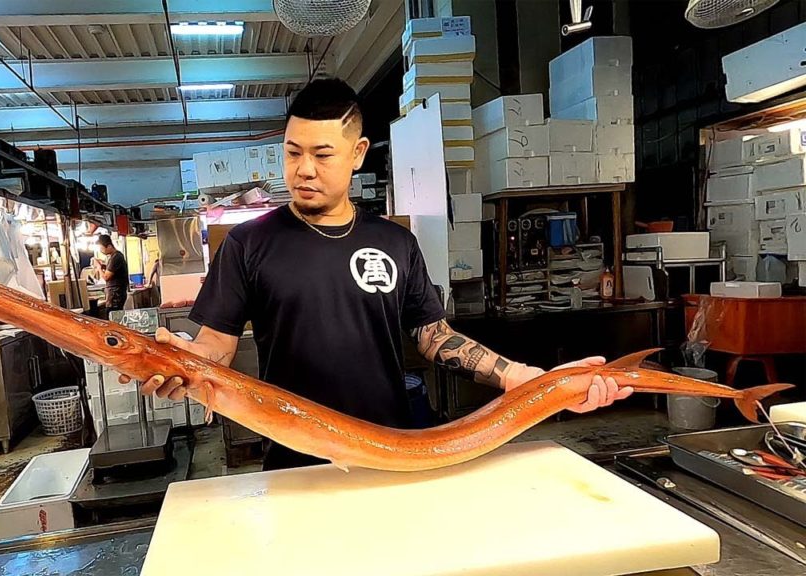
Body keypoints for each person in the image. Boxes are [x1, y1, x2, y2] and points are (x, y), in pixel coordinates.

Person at [137, 78, 633, 471]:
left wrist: (525, 379)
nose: (304, 169)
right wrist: (183, 364)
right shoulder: (248, 243)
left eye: (322, 154)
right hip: (293, 461)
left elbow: (435, 338)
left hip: (394, 451)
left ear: (357, 153)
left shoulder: (395, 242)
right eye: (292, 152)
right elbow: (216, 347)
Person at [94, 234, 129, 313]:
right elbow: (112, 270)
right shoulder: (115, 256)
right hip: (116, 295)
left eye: (102, 248)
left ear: (109, 246)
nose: (101, 251)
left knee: (113, 315)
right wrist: (103, 266)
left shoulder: (116, 257)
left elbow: (106, 277)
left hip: (115, 295)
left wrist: (99, 268)